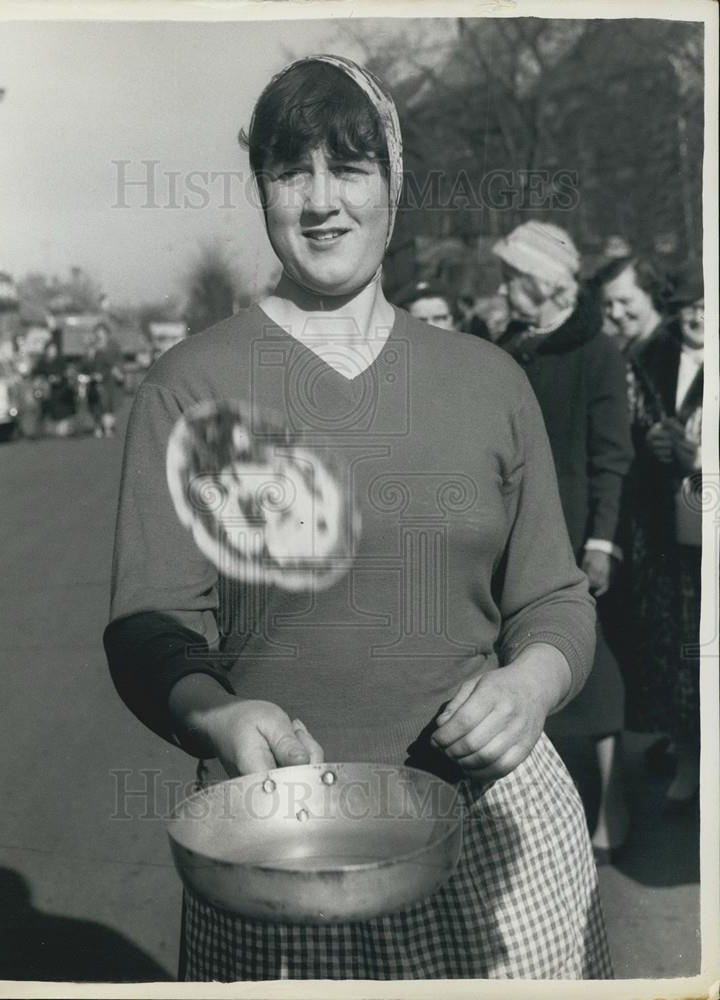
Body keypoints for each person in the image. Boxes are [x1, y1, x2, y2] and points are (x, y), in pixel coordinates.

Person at [104, 55, 611, 980]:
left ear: (394, 181)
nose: (322, 201)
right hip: (281, 848)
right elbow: (152, 627)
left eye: (350, 167)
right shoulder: (190, 389)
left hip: (493, 835)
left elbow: (554, 597)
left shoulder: (488, 379)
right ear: (260, 188)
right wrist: (212, 715)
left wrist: (530, 688)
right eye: (291, 170)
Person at [494, 222, 634, 862]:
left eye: (511, 279)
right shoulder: (511, 344)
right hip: (514, 524)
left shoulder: (596, 350)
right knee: (522, 661)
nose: (502, 290)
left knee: (594, 667)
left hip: (574, 532)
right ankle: (536, 818)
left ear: (543, 285)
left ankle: (614, 803)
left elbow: (612, 457)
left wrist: (601, 542)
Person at [597, 258, 704, 811]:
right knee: (684, 651)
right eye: (691, 306)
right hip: (672, 528)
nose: (698, 316)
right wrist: (655, 449)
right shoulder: (651, 356)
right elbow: (628, 437)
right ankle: (688, 756)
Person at [31, 340, 77, 436]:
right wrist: (42, 380)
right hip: (46, 392)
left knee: (62, 411)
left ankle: (63, 427)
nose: (52, 351)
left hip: (60, 391)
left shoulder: (60, 361)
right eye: (50, 349)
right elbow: (35, 374)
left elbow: (66, 374)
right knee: (43, 411)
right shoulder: (42, 362)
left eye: (54, 349)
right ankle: (41, 430)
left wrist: (58, 378)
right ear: (46, 350)